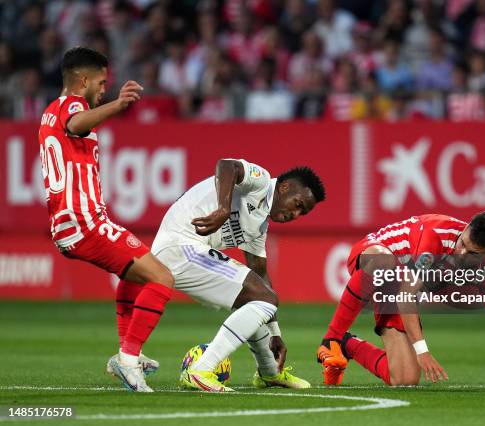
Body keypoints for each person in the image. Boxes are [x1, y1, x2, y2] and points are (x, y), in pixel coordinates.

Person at [38, 46, 174, 393]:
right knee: (162, 278)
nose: (103, 89)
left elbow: (70, 127)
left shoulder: (48, 113)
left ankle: (128, 353)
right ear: (82, 81)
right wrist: (118, 105)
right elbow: (76, 121)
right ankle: (128, 359)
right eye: (100, 82)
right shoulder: (73, 106)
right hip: (84, 222)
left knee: (135, 275)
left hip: (74, 223)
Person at [149, 158, 326, 392]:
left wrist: (275, 333)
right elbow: (226, 166)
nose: (295, 214)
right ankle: (201, 370)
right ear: (284, 188)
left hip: (188, 251)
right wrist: (223, 208)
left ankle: (269, 372)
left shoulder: (259, 226)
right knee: (264, 298)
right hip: (179, 246)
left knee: (260, 298)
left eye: (301, 213)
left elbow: (260, 274)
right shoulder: (261, 182)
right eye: (297, 204)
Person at [317, 212, 485, 389]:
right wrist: (422, 350)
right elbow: (407, 295)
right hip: (371, 256)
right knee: (382, 261)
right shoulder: (436, 235)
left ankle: (347, 345)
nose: (460, 253)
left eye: (472, 253)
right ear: (466, 229)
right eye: (463, 243)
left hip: (397, 287)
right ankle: (331, 340)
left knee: (405, 380)